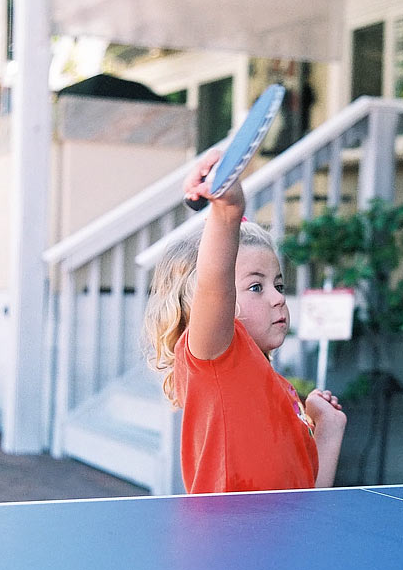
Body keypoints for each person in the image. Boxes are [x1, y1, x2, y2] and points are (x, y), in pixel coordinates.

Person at [144, 149, 346, 493]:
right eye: (256, 287)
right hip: (231, 530)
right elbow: (215, 284)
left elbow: (309, 497)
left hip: (287, 530)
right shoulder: (216, 362)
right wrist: (227, 212)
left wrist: (328, 429)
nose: (278, 298)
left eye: (278, 285)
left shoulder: (282, 392)